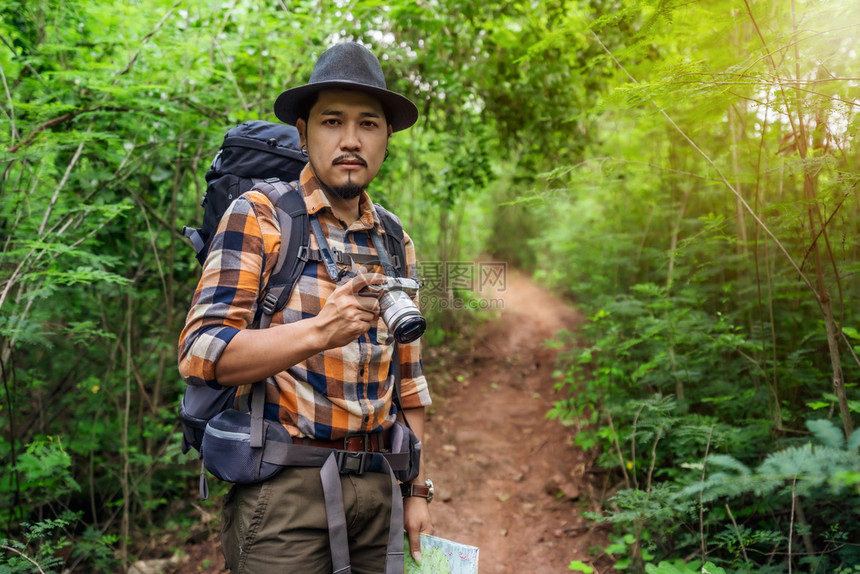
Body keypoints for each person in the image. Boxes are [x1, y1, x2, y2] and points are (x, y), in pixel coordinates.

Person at [178, 42, 434, 573]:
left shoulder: (394, 238)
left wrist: (416, 491)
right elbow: (201, 352)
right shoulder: (262, 217)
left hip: (381, 484)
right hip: (285, 494)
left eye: (368, 124)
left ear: (387, 138)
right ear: (302, 132)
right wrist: (320, 331)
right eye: (332, 121)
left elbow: (407, 382)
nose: (349, 140)